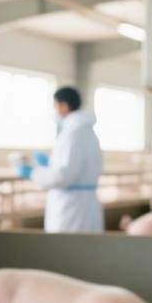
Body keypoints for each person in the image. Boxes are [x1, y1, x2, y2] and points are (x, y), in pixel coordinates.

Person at [20, 86, 103, 233]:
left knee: (68, 251)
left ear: (64, 105)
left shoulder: (72, 133)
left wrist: (34, 173)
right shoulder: (88, 132)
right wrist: (51, 163)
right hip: (86, 205)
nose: (55, 111)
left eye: (56, 105)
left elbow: (63, 176)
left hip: (71, 208)